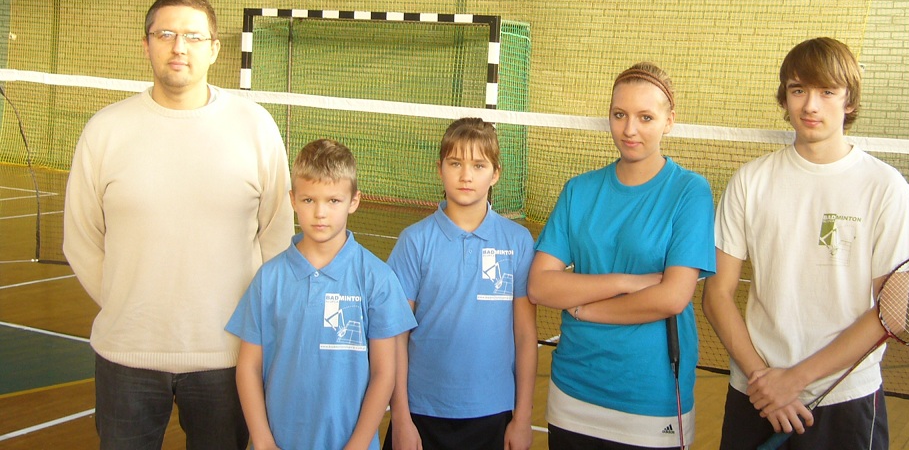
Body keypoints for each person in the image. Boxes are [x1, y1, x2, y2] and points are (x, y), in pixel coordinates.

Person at [63, 0, 294, 450]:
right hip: (126, 355)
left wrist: (246, 321)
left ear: (215, 49)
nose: (178, 47)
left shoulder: (256, 127)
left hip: (227, 357)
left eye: (192, 36)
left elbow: (277, 233)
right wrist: (127, 302)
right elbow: (81, 238)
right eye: (165, 34)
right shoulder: (105, 130)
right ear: (146, 44)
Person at [701, 37, 909, 450]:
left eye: (827, 92)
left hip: (845, 397)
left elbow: (891, 314)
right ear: (784, 98)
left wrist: (795, 381)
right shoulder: (750, 181)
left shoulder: (885, 187)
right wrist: (764, 379)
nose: (810, 106)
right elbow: (717, 294)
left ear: (849, 100)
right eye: (798, 90)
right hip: (757, 393)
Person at [528, 62, 716, 450]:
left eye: (646, 117)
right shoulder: (579, 190)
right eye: (619, 115)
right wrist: (625, 282)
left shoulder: (690, 192)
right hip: (573, 389)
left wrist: (585, 310)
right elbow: (540, 285)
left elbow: (672, 297)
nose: (629, 130)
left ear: (669, 121)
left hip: (651, 396)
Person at [227, 139, 417, 450]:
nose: (320, 213)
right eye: (308, 200)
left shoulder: (377, 279)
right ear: (292, 200)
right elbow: (248, 367)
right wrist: (262, 440)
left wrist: (358, 444)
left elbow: (384, 372)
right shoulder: (269, 279)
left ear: (354, 201)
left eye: (333, 201)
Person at [384, 117, 537, 450]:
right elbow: (396, 337)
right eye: (455, 163)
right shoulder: (414, 241)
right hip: (422, 412)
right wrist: (402, 418)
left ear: (495, 174)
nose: (466, 175)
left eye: (478, 165)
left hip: (493, 412)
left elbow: (526, 336)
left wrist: (523, 417)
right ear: (439, 169)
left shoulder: (517, 241)